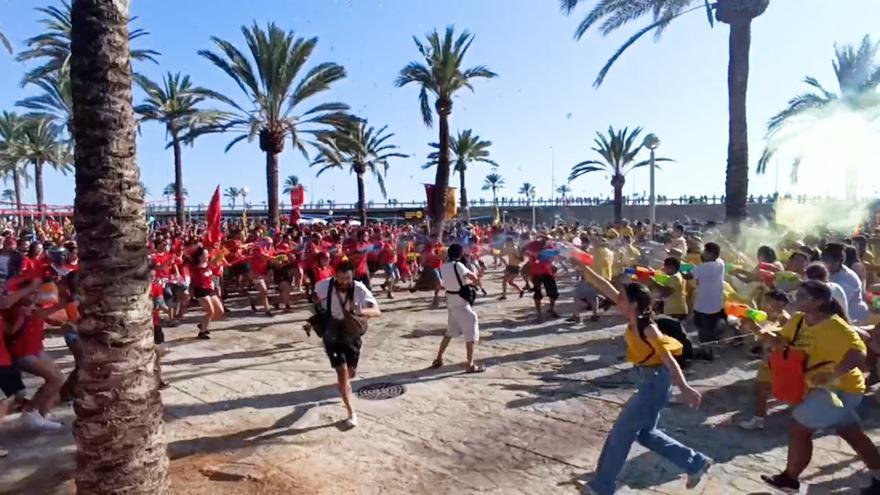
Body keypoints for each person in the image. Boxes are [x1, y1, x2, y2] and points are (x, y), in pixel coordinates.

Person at [578, 264, 711, 495]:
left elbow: (669, 359)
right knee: (645, 433)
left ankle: (601, 487)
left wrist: (685, 388)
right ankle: (694, 462)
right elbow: (604, 286)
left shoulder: (649, 328)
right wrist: (585, 268)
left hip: (655, 383)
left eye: (622, 298)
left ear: (634, 303)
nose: (616, 300)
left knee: (621, 432)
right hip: (648, 380)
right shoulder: (632, 314)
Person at [762, 281, 880, 494]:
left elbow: (858, 354)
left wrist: (834, 375)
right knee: (851, 433)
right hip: (823, 389)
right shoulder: (798, 321)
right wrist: (759, 330)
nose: (796, 299)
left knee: (800, 427)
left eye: (802, 296)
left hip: (841, 389)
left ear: (819, 302)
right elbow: (782, 342)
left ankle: (790, 478)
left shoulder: (836, 327)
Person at [313, 261, 381, 428]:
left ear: (353, 276)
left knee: (350, 373)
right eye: (341, 278)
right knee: (342, 373)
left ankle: (344, 386)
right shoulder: (322, 286)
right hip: (332, 335)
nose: (344, 282)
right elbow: (315, 302)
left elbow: (376, 310)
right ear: (334, 275)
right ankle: (351, 412)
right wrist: (315, 319)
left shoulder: (359, 288)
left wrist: (360, 312)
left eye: (348, 278)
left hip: (351, 335)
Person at [431, 244, 485, 373]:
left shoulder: (443, 266)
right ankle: (470, 364)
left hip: (451, 300)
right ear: (460, 254)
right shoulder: (458, 265)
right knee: (471, 327)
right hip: (460, 301)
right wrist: (477, 278)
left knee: (450, 331)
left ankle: (438, 358)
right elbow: (472, 278)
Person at [686, 242, 726, 343]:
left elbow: (688, 276)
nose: (703, 254)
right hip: (716, 303)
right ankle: (709, 347)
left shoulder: (705, 267)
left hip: (704, 305)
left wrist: (679, 269)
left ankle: (706, 350)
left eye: (705, 252)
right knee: (710, 328)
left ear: (711, 254)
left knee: (704, 329)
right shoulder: (720, 263)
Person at [823, 242, 869, 323]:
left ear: (840, 261)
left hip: (853, 319)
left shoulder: (848, 279)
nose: (825, 264)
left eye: (829, 261)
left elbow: (837, 304)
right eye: (823, 260)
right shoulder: (826, 272)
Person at [191, 247, 224, 339]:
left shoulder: (208, 264)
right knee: (210, 311)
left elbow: (217, 260)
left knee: (220, 311)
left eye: (207, 254)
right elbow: (202, 269)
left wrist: (223, 252)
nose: (206, 256)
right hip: (201, 291)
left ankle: (203, 324)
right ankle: (202, 332)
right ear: (199, 257)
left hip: (210, 290)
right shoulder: (196, 267)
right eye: (204, 255)